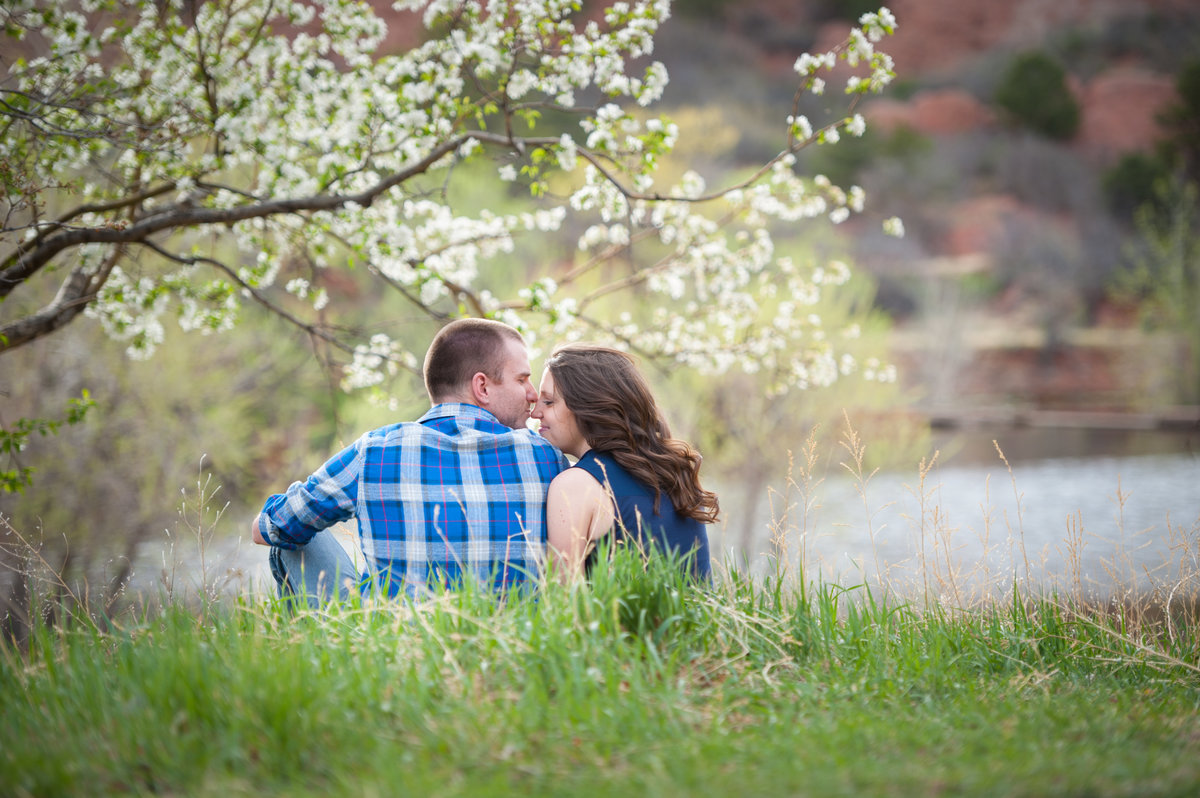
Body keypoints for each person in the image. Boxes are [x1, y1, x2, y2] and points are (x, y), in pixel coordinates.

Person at [251, 318, 568, 605]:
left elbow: (267, 529)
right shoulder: (545, 455)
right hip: (511, 648)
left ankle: (322, 652)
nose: (533, 395)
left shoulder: (375, 450)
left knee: (287, 534)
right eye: (523, 379)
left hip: (399, 649)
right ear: (482, 386)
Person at [530, 344, 718, 581]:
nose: (535, 413)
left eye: (548, 402)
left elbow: (563, 600)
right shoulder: (675, 474)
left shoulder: (575, 486)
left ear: (588, 405)